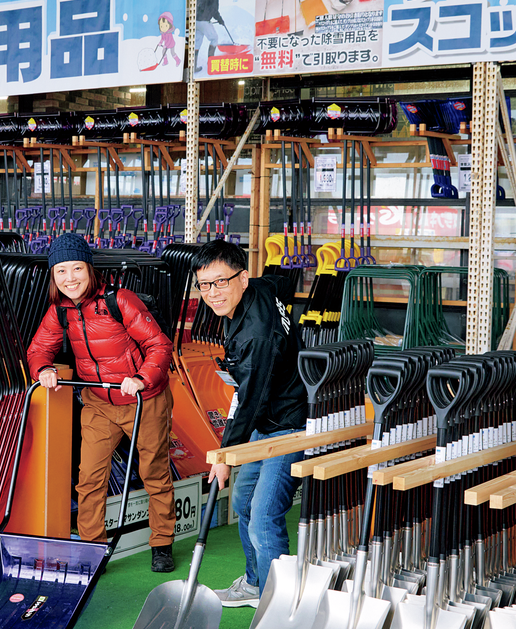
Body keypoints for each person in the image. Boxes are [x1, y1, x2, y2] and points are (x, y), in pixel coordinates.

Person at [25, 233, 179, 572]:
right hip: (98, 401)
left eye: (76, 268)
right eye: (61, 271)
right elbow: (38, 350)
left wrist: (140, 378)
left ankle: (162, 543)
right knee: (89, 477)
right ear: (53, 276)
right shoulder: (60, 311)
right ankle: (92, 550)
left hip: (143, 400)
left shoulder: (119, 300)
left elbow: (160, 346)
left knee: (153, 470)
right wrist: (44, 368)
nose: (70, 278)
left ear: (89, 269)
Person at [196, 239, 308, 608]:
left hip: (288, 425)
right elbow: (276, 283)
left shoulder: (255, 336)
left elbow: (249, 399)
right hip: (266, 418)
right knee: (244, 500)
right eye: (204, 284)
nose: (213, 293)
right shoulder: (258, 288)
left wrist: (224, 455)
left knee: (262, 516)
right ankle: (256, 583)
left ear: (242, 278)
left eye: (221, 282)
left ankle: (278, 603)